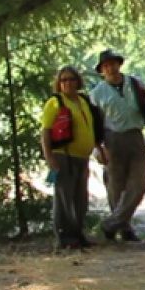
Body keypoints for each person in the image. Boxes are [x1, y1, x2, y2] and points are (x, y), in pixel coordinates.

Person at [89, 49, 145, 242]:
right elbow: (93, 124)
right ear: (102, 70)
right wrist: (97, 149)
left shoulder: (136, 85)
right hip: (112, 140)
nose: (110, 68)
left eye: (112, 63)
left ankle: (111, 224)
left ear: (119, 64)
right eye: (105, 66)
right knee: (115, 185)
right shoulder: (97, 93)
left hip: (136, 137)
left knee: (139, 184)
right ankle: (124, 229)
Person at [40, 66, 108, 250]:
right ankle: (65, 239)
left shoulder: (84, 101)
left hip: (82, 157)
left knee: (80, 199)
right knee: (64, 199)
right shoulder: (55, 103)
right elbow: (45, 132)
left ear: (78, 81)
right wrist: (49, 157)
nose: (67, 83)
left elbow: (92, 128)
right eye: (63, 80)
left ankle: (78, 236)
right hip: (63, 156)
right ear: (59, 84)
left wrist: (99, 149)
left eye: (71, 79)